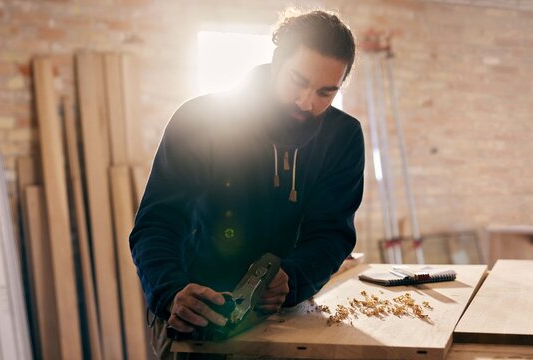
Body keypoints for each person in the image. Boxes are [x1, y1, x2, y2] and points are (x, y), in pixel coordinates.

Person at [129, 8, 364, 359]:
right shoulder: (202, 120)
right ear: (276, 62)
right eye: (297, 82)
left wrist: (294, 278)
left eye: (325, 93)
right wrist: (170, 291)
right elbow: (158, 224)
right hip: (197, 317)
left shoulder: (342, 137)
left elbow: (331, 233)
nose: (306, 102)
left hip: (286, 317)